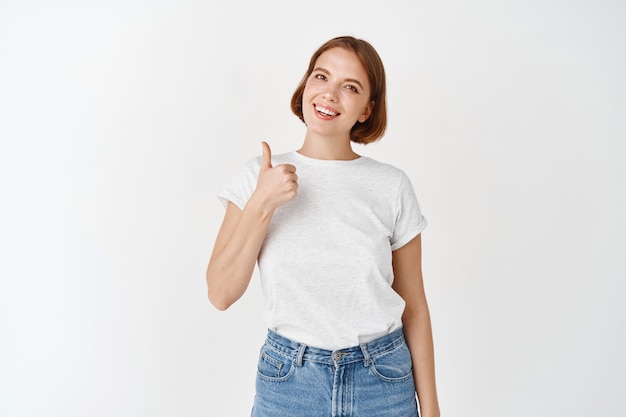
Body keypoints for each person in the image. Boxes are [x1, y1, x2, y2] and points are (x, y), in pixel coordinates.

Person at [206, 35, 440, 417]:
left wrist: (431, 410)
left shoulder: (391, 185)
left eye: (350, 87)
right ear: (305, 87)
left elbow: (414, 307)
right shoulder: (258, 176)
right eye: (321, 77)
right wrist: (262, 203)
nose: (330, 94)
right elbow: (221, 293)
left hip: (382, 380)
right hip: (288, 384)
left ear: (367, 109)